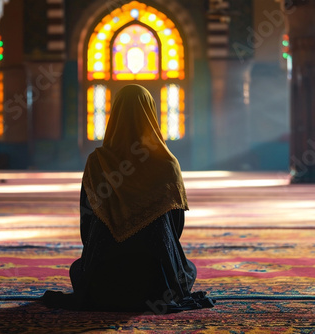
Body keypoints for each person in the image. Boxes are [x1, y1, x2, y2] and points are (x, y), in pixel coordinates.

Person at [41, 84, 214, 313]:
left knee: (78, 269)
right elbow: (176, 224)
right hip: (157, 281)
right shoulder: (166, 163)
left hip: (102, 281)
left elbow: (87, 217)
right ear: (151, 114)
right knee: (187, 269)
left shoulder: (97, 161)